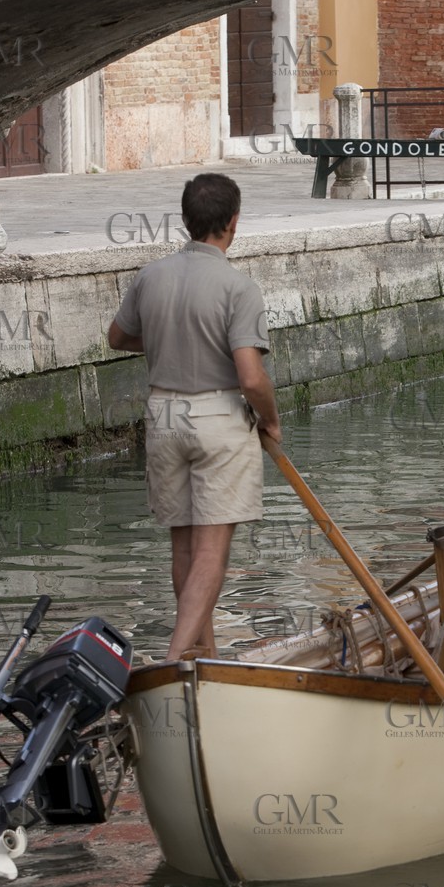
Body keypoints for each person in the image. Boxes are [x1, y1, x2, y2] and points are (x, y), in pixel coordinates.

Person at [107, 173, 281, 661]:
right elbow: (250, 377)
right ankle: (176, 657)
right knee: (211, 552)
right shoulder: (238, 287)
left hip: (163, 415)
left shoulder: (151, 276)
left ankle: (203, 653)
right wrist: (271, 419)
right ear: (232, 222)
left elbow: (117, 338)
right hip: (217, 416)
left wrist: (169, 340)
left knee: (182, 547)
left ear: (185, 221)